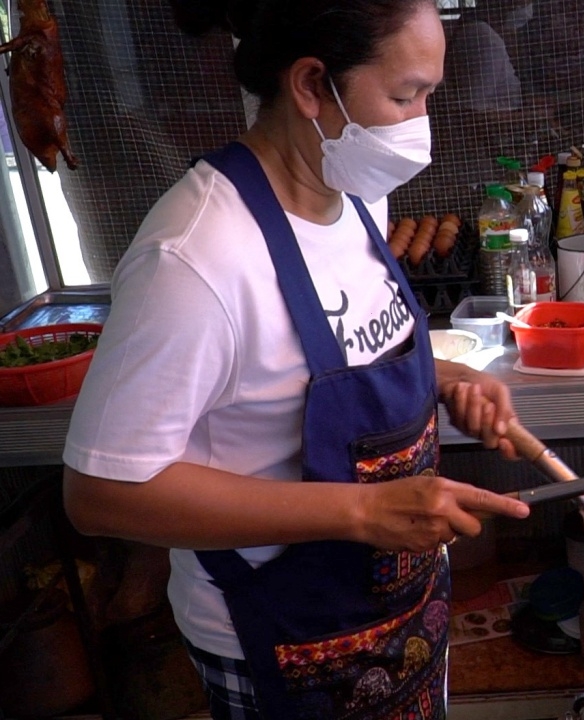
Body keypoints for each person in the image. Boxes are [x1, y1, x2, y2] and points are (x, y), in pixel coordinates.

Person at [60, 1, 531, 717]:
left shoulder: (357, 195)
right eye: (407, 95)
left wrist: (443, 376)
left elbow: (319, 364)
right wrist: (363, 510)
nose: (421, 121)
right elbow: (101, 494)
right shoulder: (194, 260)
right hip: (284, 639)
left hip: (403, 613)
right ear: (312, 85)